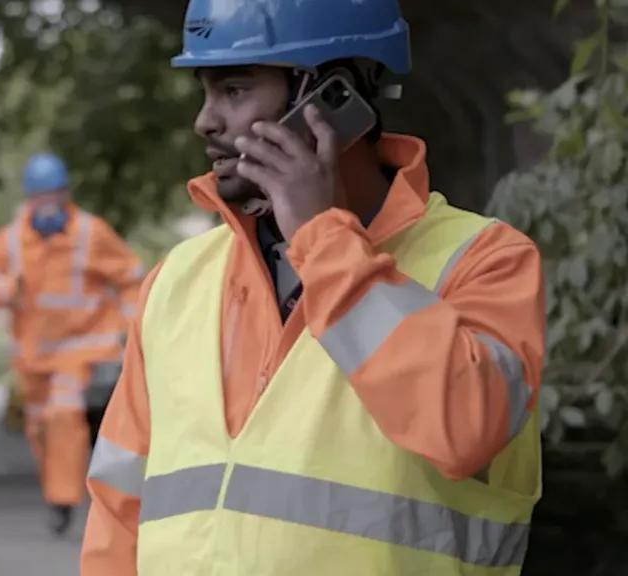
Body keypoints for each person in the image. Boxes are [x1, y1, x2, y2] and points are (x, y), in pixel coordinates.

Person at [81, 1, 545, 574]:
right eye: (205, 91)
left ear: (335, 96)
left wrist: (322, 239)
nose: (205, 120)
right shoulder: (177, 281)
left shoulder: (485, 261)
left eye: (234, 89)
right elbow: (119, 507)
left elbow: (465, 429)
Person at [0, 152, 143, 536]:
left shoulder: (90, 233)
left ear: (65, 193)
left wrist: (129, 327)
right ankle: (58, 491)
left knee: (62, 417)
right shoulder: (14, 239)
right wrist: (3, 289)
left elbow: (131, 276)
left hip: (82, 350)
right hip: (33, 357)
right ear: (30, 198)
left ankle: (63, 502)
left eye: (55, 194)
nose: (49, 202)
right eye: (41, 195)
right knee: (39, 430)